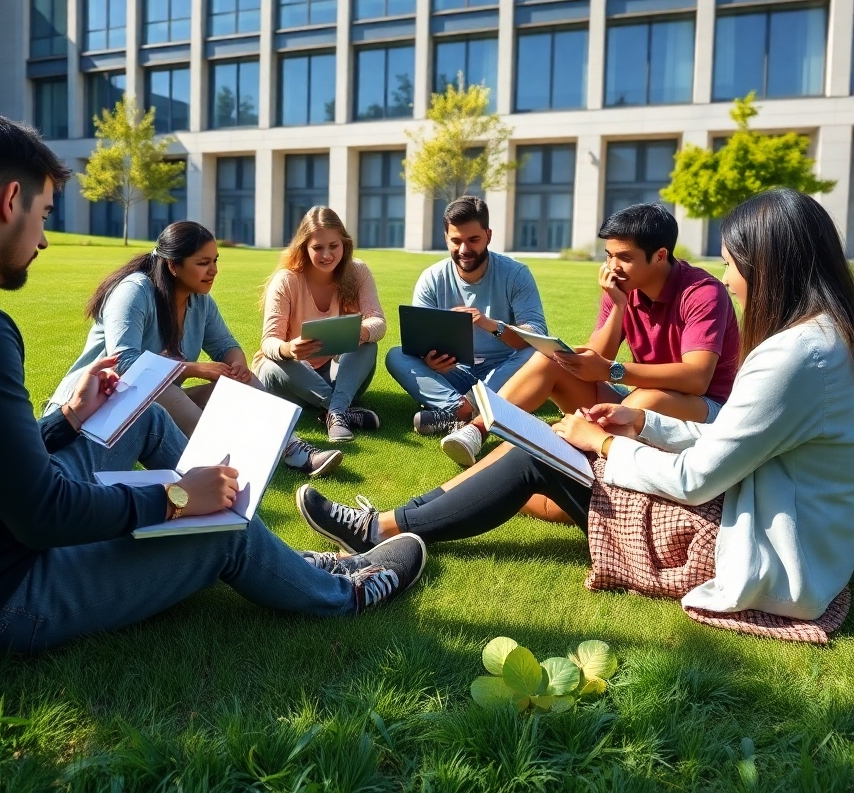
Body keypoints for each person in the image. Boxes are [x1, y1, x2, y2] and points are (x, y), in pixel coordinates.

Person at [0, 107, 427, 656]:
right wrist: (175, 498)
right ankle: (343, 594)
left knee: (142, 418)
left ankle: (274, 556)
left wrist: (65, 420)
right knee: (212, 530)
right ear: (10, 200)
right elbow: (43, 515)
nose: (40, 239)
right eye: (42, 215)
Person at [297, 187, 854, 625]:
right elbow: (737, 441)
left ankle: (379, 529)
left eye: (735, 264)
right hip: (752, 511)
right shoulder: (825, 339)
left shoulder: (792, 354)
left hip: (750, 543)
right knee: (546, 446)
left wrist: (607, 441)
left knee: (544, 454)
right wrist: (640, 418)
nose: (729, 278)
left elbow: (698, 476)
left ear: (772, 268)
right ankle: (406, 507)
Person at [439, 204, 740, 485]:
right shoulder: (621, 287)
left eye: (624, 257)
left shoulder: (702, 293)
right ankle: (476, 430)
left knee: (646, 402)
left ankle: (569, 469)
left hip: (706, 410)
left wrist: (612, 371)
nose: (612, 267)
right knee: (549, 362)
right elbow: (600, 356)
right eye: (609, 255)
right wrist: (618, 308)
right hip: (640, 397)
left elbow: (696, 379)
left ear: (660, 256)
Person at [47, 220, 341, 477]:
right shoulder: (134, 291)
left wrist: (236, 367)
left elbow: (226, 346)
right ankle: (214, 462)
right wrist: (195, 368)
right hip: (92, 408)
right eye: (203, 263)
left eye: (215, 261)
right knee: (158, 384)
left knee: (244, 380)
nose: (213, 270)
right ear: (174, 266)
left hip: (149, 406)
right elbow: (125, 362)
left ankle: (292, 449)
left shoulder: (199, 301)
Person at [384, 196, 547, 436]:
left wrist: (489, 324)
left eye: (473, 240)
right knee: (396, 355)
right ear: (446, 239)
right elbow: (419, 339)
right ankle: (462, 409)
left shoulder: (516, 274)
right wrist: (429, 361)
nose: (464, 250)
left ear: (488, 236)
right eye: (456, 241)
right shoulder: (432, 278)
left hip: (504, 370)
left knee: (538, 352)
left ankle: (458, 411)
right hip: (455, 372)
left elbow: (537, 334)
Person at [253, 207, 385, 443]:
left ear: (344, 244)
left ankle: (335, 410)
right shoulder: (287, 279)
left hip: (330, 371)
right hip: (290, 377)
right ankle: (340, 410)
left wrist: (363, 332)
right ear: (304, 247)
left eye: (333, 246)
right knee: (274, 364)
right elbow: (269, 341)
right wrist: (288, 349)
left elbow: (378, 320)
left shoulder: (358, 271)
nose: (326, 255)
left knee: (368, 344)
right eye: (317, 248)